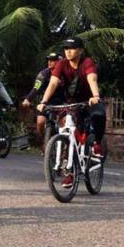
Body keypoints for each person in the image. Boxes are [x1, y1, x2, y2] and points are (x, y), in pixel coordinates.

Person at [36, 36, 106, 188]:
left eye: (72, 48)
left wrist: (95, 96)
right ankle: (70, 174)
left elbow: (92, 79)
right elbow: (53, 83)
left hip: (89, 99)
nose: (68, 52)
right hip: (71, 102)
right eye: (66, 49)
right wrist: (43, 102)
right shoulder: (61, 64)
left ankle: (97, 143)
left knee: (99, 114)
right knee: (71, 134)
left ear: (80, 50)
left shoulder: (87, 63)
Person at [22, 52, 65, 147]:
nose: (50, 62)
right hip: (46, 103)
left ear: (59, 62)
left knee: (65, 123)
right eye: (49, 60)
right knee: (40, 122)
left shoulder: (65, 73)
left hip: (63, 103)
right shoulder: (43, 73)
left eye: (53, 61)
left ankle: (65, 149)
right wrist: (28, 99)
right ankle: (42, 141)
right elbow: (36, 87)